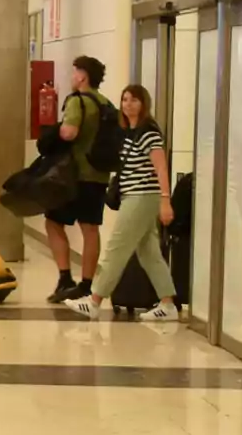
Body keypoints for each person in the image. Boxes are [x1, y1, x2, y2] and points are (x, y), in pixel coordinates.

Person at [63, 85, 177, 321]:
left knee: (116, 247)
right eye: (124, 100)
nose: (128, 104)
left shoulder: (149, 132)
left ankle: (94, 300)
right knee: (148, 252)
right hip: (132, 196)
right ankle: (167, 303)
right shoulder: (129, 132)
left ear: (143, 104)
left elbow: (161, 167)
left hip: (142, 197)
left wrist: (165, 201)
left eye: (134, 100)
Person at [46, 56, 112, 303]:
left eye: (74, 73)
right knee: (90, 229)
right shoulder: (105, 102)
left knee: (53, 222)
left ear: (82, 76)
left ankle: (65, 278)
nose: (72, 77)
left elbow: (69, 132)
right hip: (99, 175)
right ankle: (87, 284)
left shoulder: (77, 101)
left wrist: (58, 129)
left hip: (74, 175)